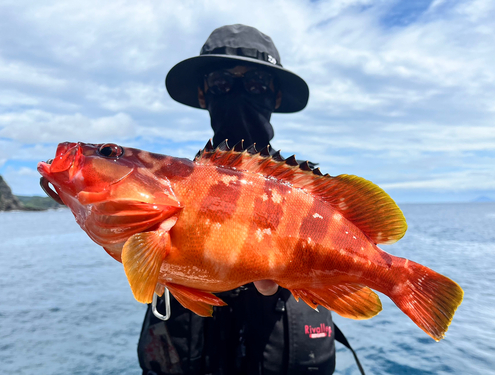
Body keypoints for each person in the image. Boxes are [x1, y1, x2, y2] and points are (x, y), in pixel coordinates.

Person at [138, 24, 346, 375]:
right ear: (204, 94)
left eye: (256, 84)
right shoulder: (172, 187)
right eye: (222, 83)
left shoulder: (309, 200)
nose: (237, 92)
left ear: (275, 96)